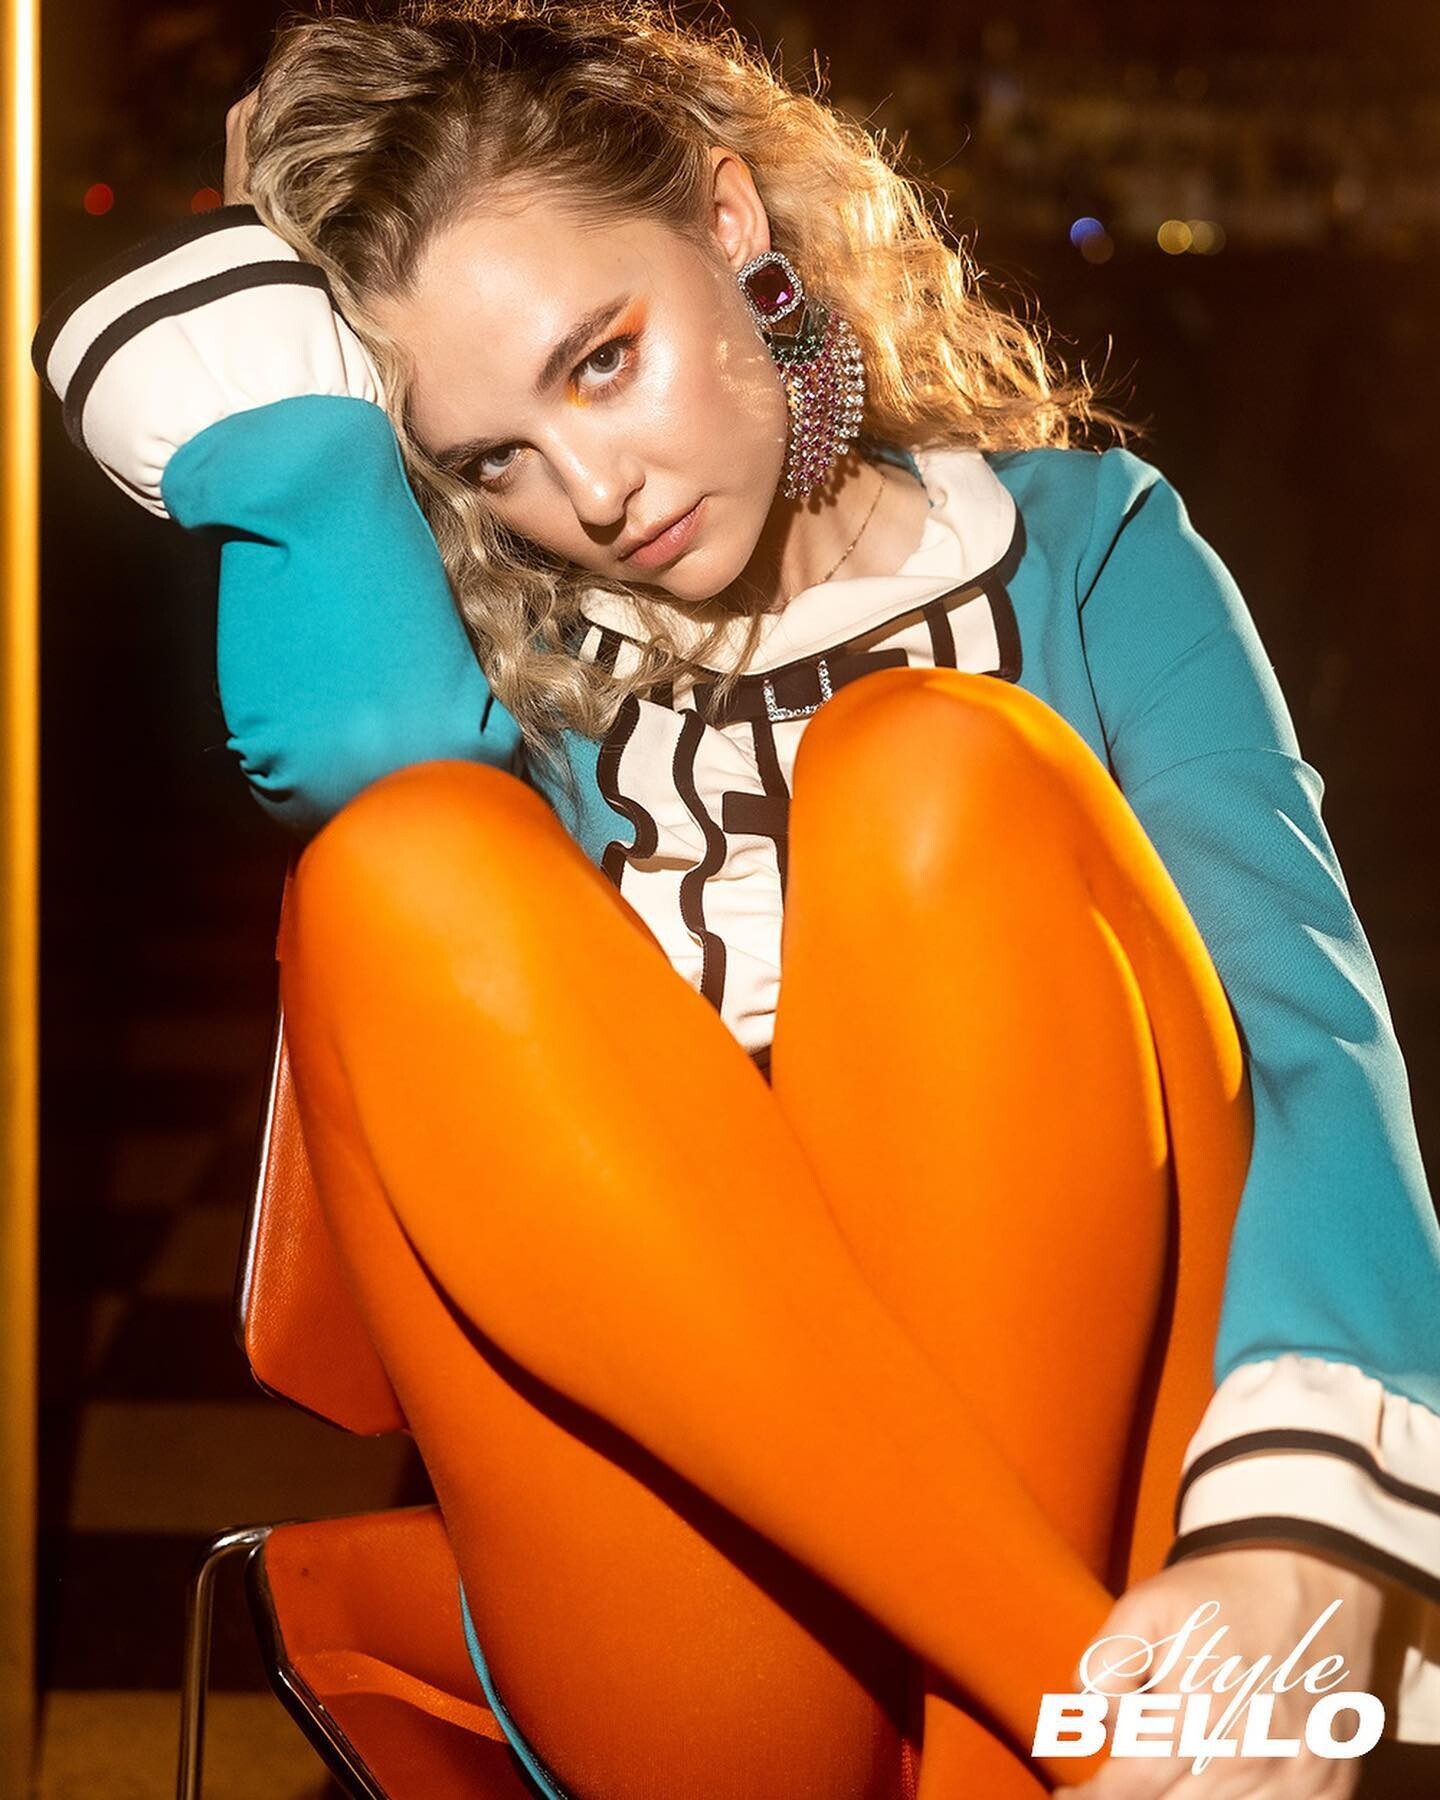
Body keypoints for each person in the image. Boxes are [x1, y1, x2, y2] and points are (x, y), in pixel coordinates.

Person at [32, 2, 1440, 1795]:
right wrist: (275, 330)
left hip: (1125, 1487)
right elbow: (356, 756)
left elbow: (1310, 1028)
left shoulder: (1090, 543)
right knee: (398, 858)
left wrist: (1305, 1540)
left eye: (599, 362)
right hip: (722, 1597)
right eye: (487, 459)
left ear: (727, 218)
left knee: (927, 769)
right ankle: (1091, 1718)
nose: (591, 492)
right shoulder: (507, 670)